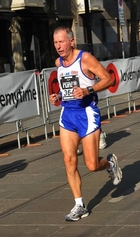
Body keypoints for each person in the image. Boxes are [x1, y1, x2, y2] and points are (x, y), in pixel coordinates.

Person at [49, 26, 122, 221]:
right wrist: (58, 97)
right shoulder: (58, 62)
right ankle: (79, 205)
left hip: (87, 113)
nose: (58, 46)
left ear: (72, 41)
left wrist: (88, 90)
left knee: (91, 165)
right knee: (69, 160)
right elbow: (66, 89)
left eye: (62, 41)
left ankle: (109, 164)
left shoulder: (85, 58)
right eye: (55, 42)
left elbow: (109, 79)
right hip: (68, 114)